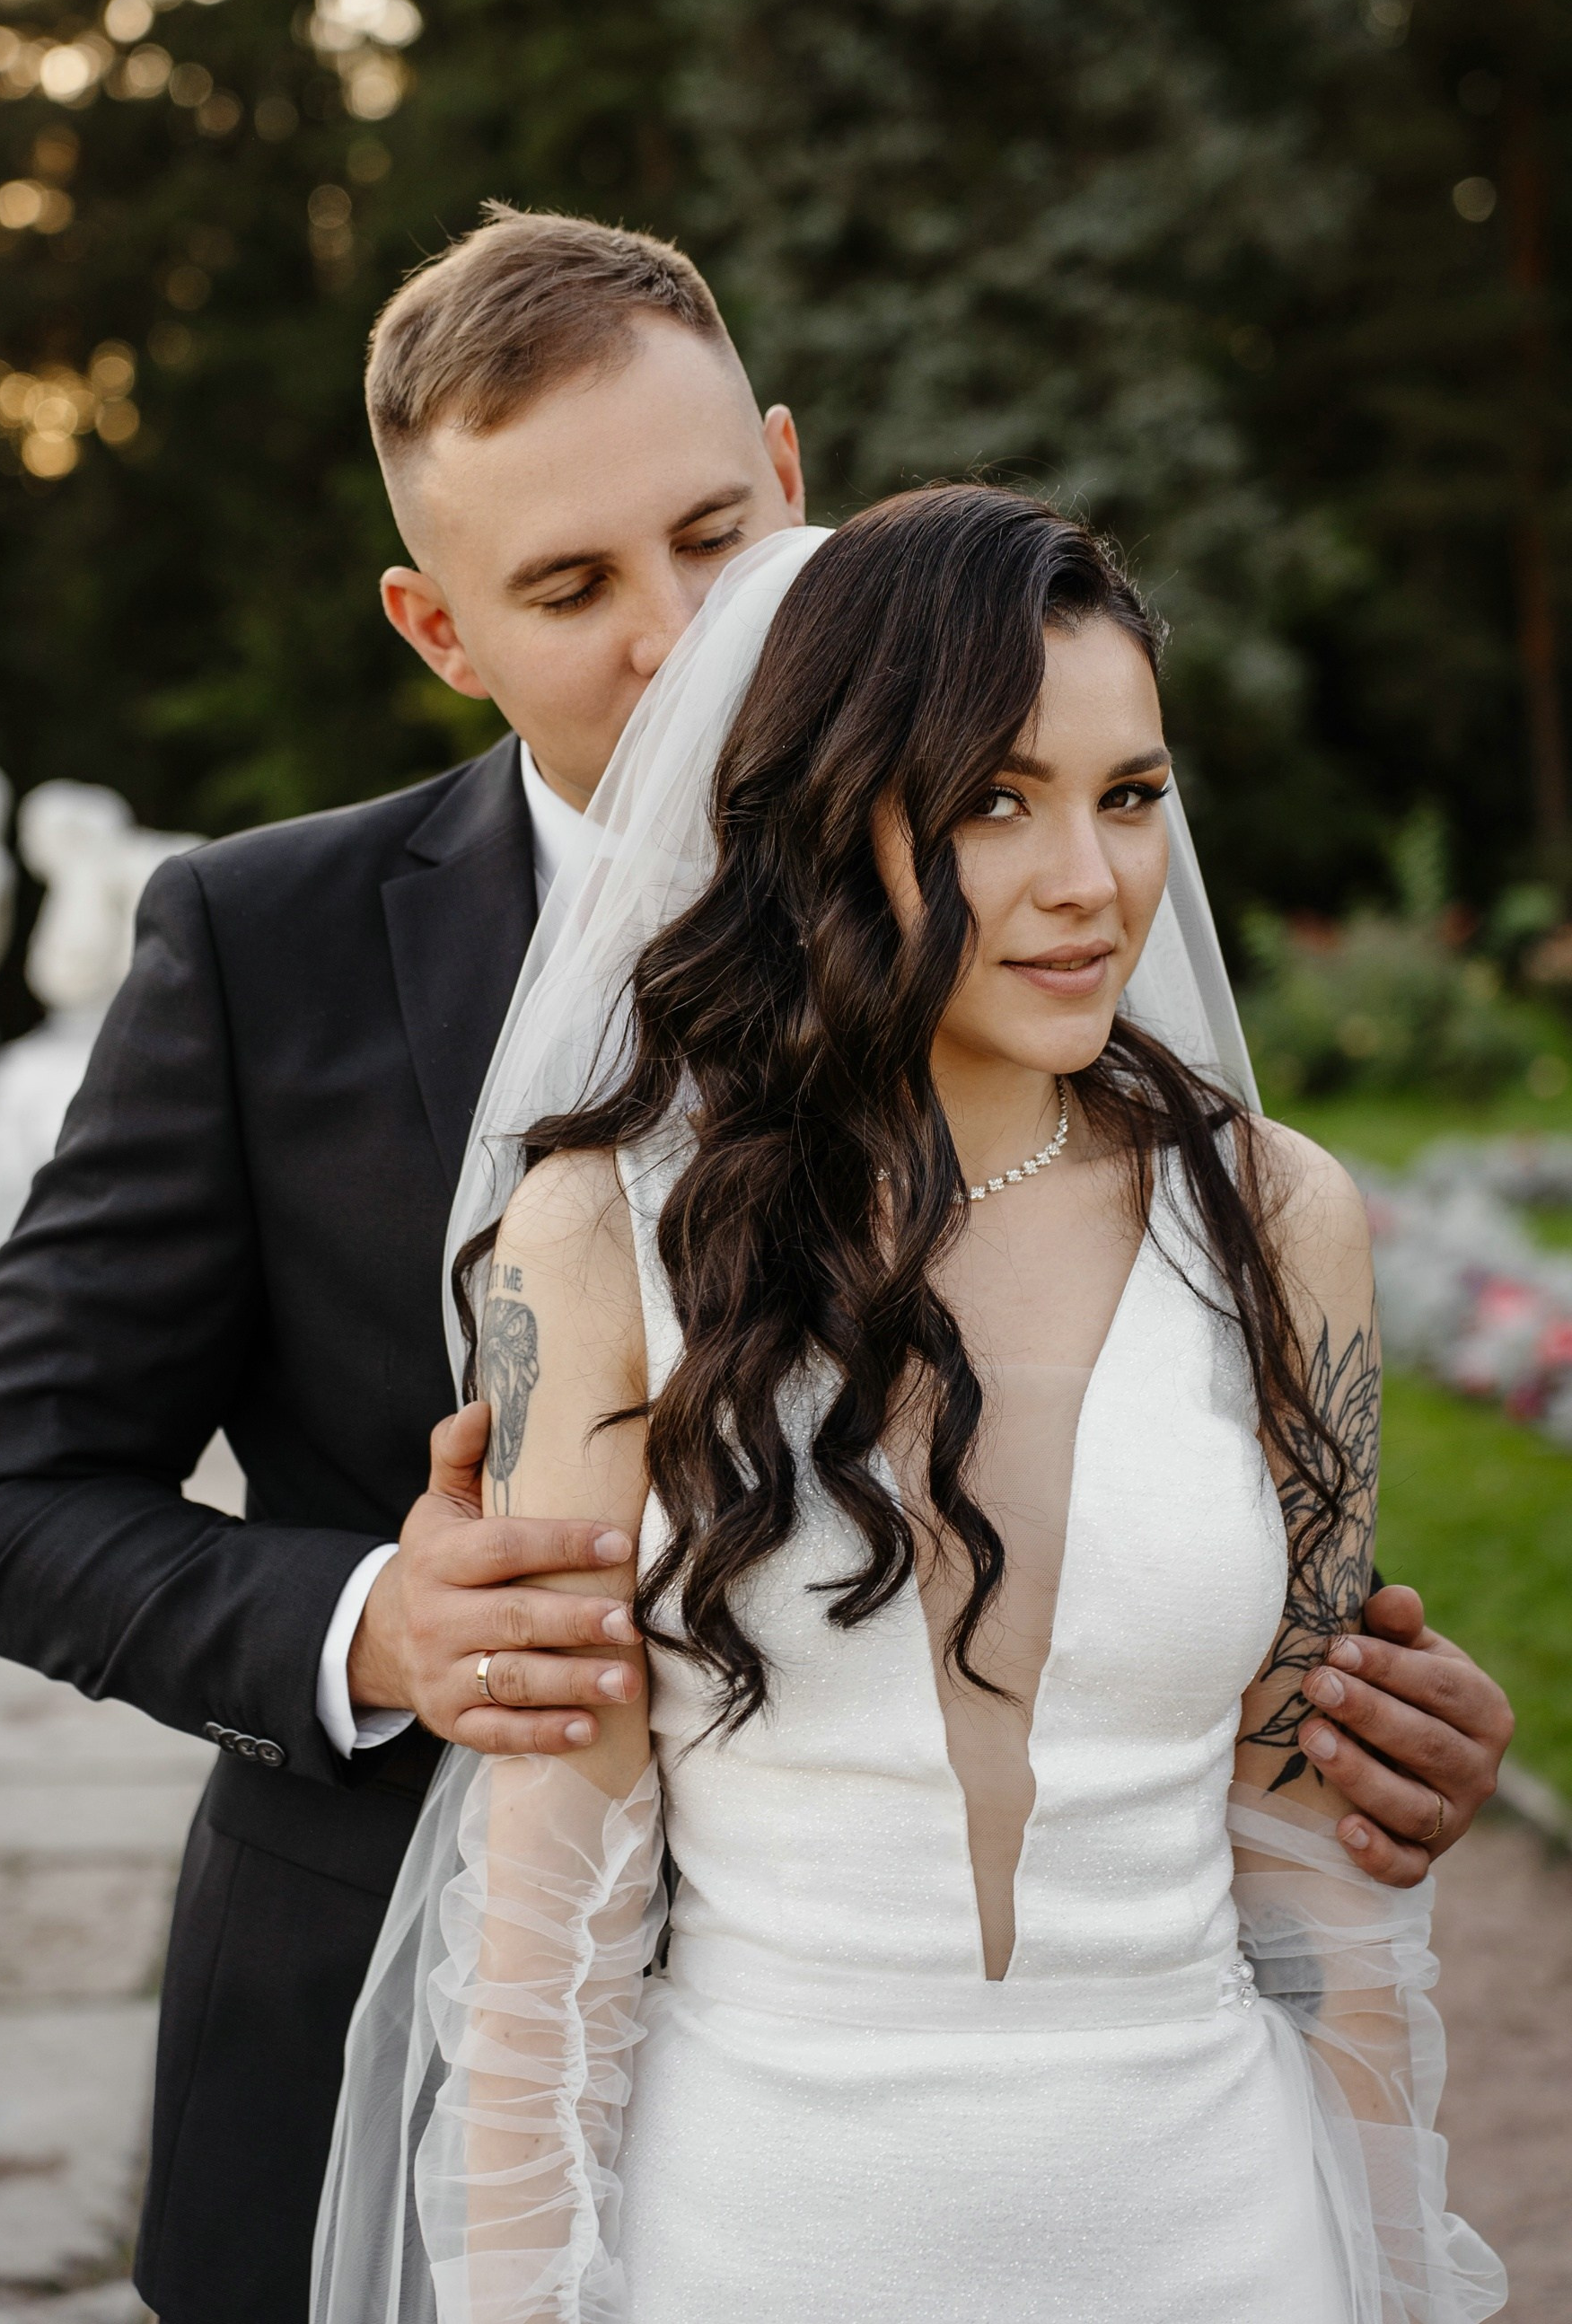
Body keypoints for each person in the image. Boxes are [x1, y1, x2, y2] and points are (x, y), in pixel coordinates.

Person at [0, 211, 1513, 2324]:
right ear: (437, 626)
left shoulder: (1065, 963)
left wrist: (1350, 1726)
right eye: (569, 588)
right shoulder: (257, 948)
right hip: (401, 2082)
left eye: (713, 532)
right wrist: (386, 1623)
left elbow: (1226, 1659)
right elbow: (4, 1500)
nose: (681, 636)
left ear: (791, 472)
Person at [317, 500, 1504, 2324]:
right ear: (823, 814)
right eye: (993, 800)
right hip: (769, 2232)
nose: (1088, 881)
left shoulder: (1276, 1220)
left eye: (1128, 795)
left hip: (1220, 2229)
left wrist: (1389, 2267)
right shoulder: (605, 1236)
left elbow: (1319, 1865)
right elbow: (550, 1923)